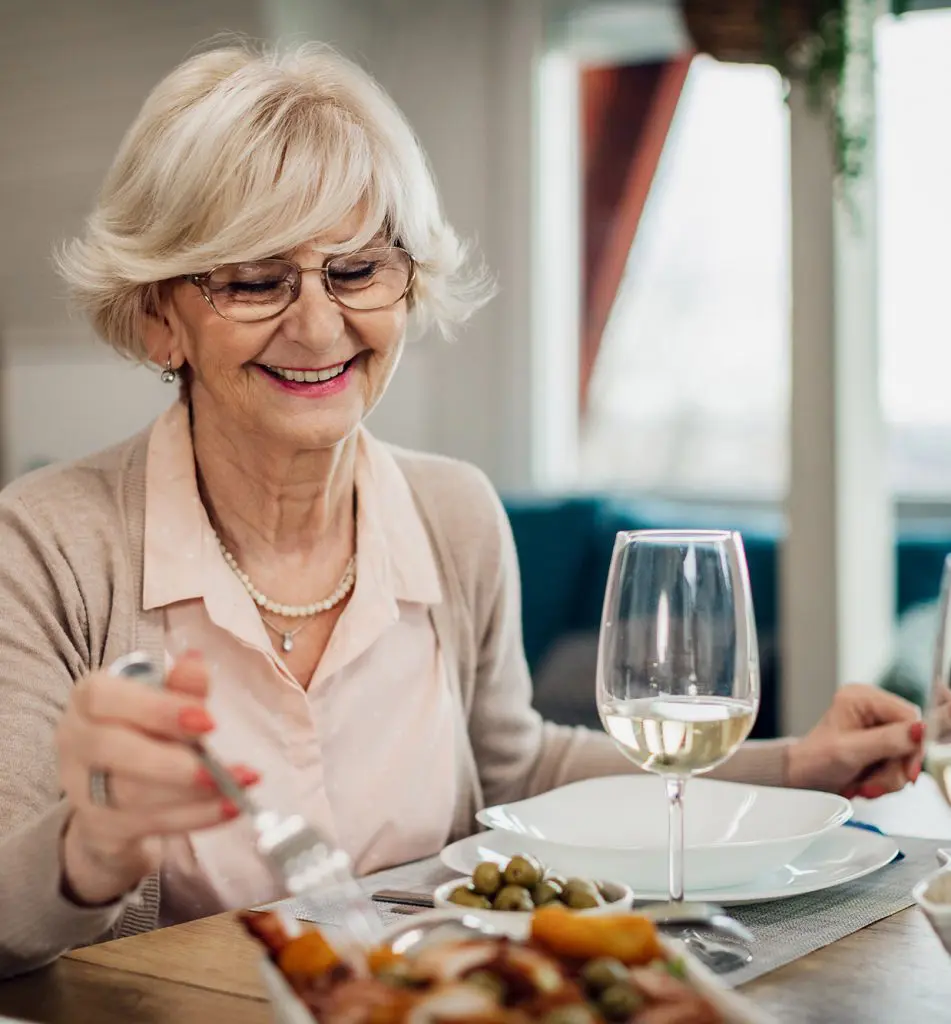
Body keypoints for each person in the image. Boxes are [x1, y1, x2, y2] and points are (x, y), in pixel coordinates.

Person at [0, 43, 923, 978]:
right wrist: (94, 849)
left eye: (357, 270)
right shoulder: (47, 546)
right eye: (253, 280)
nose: (320, 327)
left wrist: (794, 766)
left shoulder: (455, 514)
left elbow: (519, 777)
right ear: (161, 315)